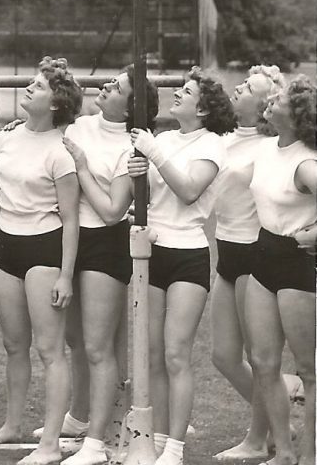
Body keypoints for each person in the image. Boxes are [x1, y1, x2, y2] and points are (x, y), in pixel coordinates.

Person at [128, 67, 235, 465]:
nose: (177, 95)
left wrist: (153, 154)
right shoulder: (166, 138)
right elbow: (149, 191)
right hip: (152, 251)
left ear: (203, 109)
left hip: (188, 253)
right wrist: (137, 168)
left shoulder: (213, 146)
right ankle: (155, 440)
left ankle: (175, 449)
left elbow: (189, 191)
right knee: (153, 354)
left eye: (186, 92)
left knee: (176, 354)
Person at [0, 57, 82, 465]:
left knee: (50, 349)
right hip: (7, 249)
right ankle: (11, 424)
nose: (29, 88)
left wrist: (65, 276)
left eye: (39, 87)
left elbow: (72, 217)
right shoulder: (2, 140)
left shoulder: (61, 150)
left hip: (45, 253)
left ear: (56, 103)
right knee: (13, 345)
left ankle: (50, 443)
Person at [59, 66, 160, 465]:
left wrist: (82, 168)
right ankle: (79, 417)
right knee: (75, 341)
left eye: (115, 86)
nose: (105, 86)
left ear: (130, 105)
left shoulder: (131, 147)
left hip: (104, 244)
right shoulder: (80, 125)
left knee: (100, 346)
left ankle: (96, 443)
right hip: (67, 239)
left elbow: (114, 211)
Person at [210, 65, 283, 460]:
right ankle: (280, 406)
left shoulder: (270, 147)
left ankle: (258, 440)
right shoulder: (220, 136)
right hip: (225, 249)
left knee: (259, 356)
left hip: (255, 252)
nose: (236, 89)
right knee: (222, 355)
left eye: (247, 87)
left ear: (265, 103)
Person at [245, 75, 316, 465]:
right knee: (264, 361)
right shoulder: (266, 148)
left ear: (300, 113)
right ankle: (284, 453)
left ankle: (310, 455)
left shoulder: (307, 162)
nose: (273, 99)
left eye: (283, 97)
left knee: (308, 370)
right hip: (263, 255)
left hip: (298, 265)